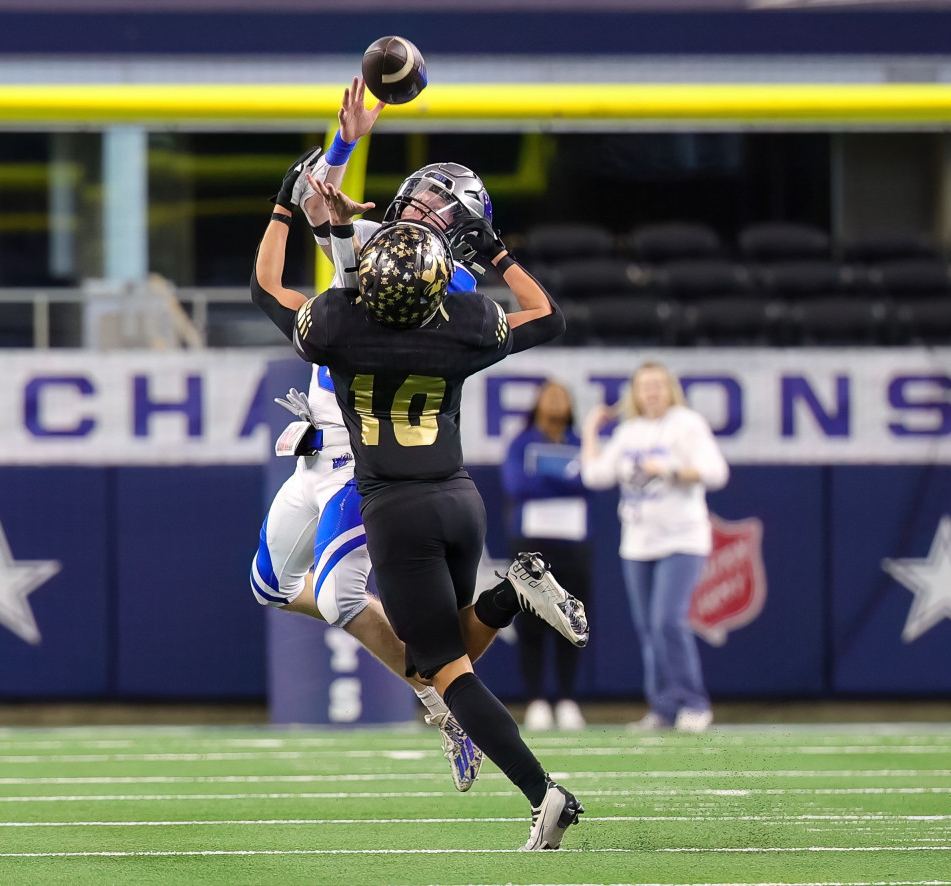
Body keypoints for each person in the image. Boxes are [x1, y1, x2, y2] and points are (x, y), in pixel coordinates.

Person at [251, 170, 588, 850]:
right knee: (450, 649)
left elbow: (267, 290)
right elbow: (547, 316)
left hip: (393, 506)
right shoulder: (463, 321)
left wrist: (294, 209)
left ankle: (544, 793)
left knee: (446, 669)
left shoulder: (338, 329)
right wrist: (496, 251)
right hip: (458, 499)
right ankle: (508, 596)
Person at [251, 79, 485, 792]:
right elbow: (288, 255)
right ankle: (439, 675)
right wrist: (335, 156)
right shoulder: (370, 259)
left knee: (338, 596)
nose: (414, 217)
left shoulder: (450, 288)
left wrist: (321, 204)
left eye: (435, 210)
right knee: (269, 585)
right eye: (418, 201)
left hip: (368, 459)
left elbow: (323, 229)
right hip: (316, 456)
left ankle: (440, 696)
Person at [580, 361, 729, 734]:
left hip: (682, 538)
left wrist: (670, 470)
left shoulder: (687, 424)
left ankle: (694, 703)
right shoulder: (629, 431)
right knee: (649, 629)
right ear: (635, 392)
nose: (651, 392)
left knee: (668, 621)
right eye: (644, 386)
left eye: (658, 385)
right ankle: (662, 708)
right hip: (638, 543)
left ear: (671, 389)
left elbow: (716, 472)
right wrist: (590, 432)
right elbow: (596, 476)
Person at [501, 380, 592, 732]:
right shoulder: (522, 442)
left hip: (574, 543)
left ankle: (568, 699)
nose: (556, 400)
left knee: (573, 620)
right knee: (532, 622)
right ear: (536, 403)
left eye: (563, 394)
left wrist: (545, 477)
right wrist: (568, 478)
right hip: (531, 544)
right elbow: (517, 485)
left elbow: (592, 480)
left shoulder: (580, 442)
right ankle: (536, 700)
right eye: (549, 394)